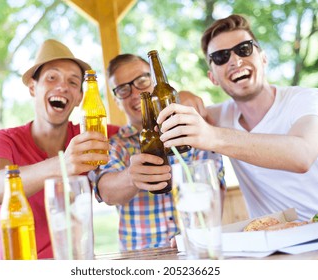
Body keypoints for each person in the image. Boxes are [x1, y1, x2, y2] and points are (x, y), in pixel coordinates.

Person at [156, 14, 318, 221]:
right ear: (213, 78)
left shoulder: (306, 99)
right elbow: (184, 109)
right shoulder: (218, 116)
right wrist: (184, 96)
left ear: (263, 58)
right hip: (273, 241)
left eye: (244, 49)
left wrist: (213, 136)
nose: (235, 61)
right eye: (221, 57)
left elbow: (302, 155)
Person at [0, 39, 119, 259]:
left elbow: (135, 131)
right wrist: (63, 164)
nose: (63, 86)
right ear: (33, 88)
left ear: (79, 98)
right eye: (52, 77)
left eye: (73, 82)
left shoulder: (89, 134)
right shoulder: (3, 140)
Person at [89, 53, 226, 251]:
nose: (135, 93)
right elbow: (106, 191)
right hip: (141, 261)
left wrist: (194, 235)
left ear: (156, 83)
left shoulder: (192, 129)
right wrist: (131, 177)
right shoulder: (115, 144)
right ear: (117, 101)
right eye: (123, 89)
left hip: (196, 249)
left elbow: (214, 188)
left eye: (142, 81)